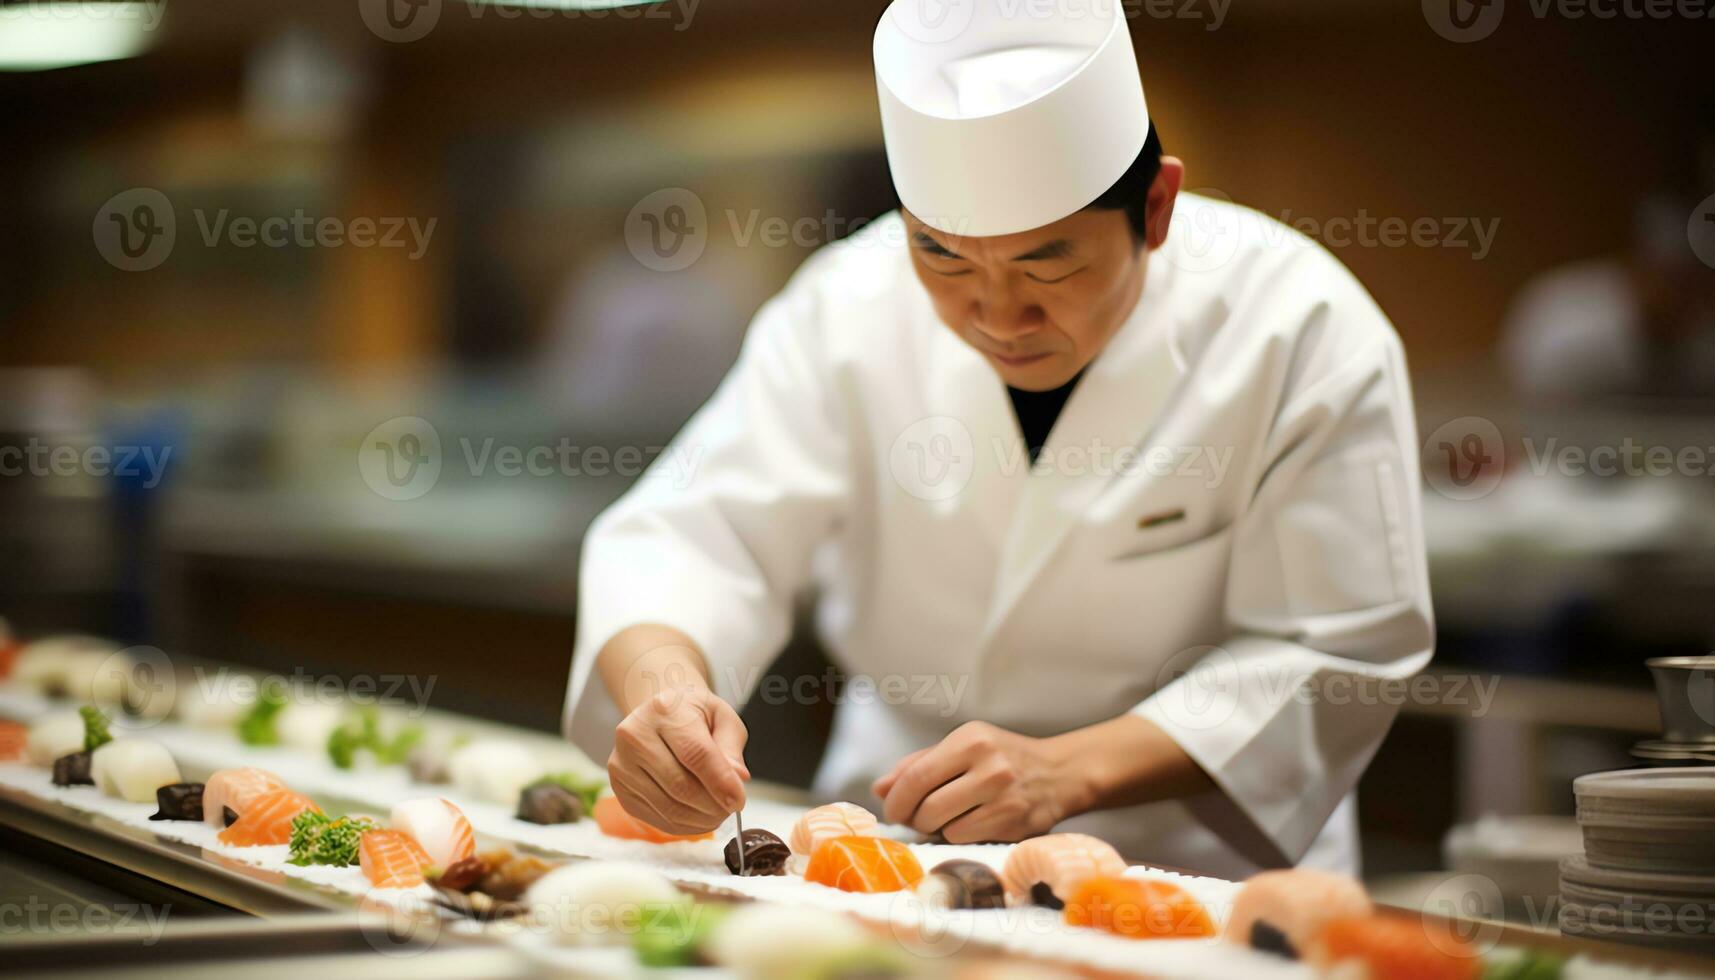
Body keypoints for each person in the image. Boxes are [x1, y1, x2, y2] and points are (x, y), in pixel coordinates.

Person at [563, 0, 1432, 878]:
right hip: (883, 851)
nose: (995, 316)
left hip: (1192, 870)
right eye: (941, 257)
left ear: (1156, 207)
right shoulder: (843, 306)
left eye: (1046, 263)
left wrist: (1070, 769)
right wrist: (663, 684)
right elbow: (695, 530)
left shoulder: (1297, 323)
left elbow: (1336, 647)